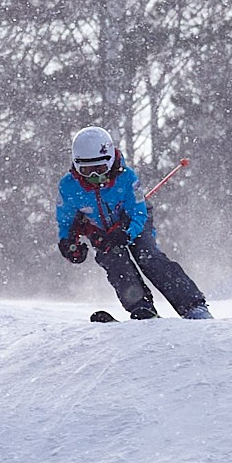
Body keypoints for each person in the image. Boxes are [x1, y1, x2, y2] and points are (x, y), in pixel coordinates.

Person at [55, 127, 211, 320]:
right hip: (102, 232)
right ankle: (141, 307)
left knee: (147, 256)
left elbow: (138, 212)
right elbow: (65, 220)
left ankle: (192, 305)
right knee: (114, 261)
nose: (95, 177)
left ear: (111, 161)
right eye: (87, 170)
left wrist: (127, 233)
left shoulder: (126, 177)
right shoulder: (68, 187)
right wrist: (67, 243)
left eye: (101, 169)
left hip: (134, 222)